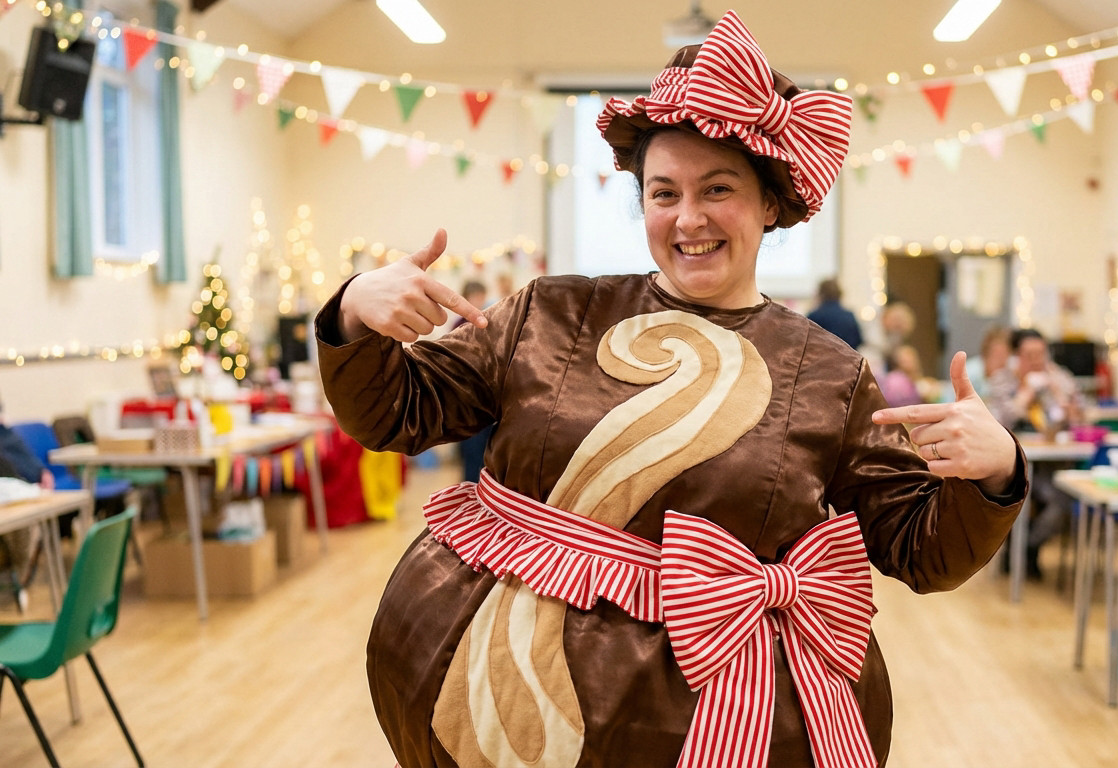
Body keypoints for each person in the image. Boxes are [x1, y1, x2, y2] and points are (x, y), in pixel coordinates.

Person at [314, 12, 1025, 768]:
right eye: (664, 193)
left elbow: (920, 549)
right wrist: (356, 313)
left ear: (770, 205)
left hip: (717, 726)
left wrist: (995, 472)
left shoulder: (830, 371)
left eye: (717, 188)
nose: (689, 218)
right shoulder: (548, 312)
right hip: (492, 711)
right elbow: (397, 412)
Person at [986, 327, 1083, 579]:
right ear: (1016, 356)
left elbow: (1078, 416)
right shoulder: (1002, 380)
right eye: (1029, 354)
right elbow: (998, 420)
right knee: (1014, 494)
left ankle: (1027, 546)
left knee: (1064, 497)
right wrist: (1025, 395)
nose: (1036, 361)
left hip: (1052, 465)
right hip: (1013, 464)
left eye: (1041, 354)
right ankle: (1020, 551)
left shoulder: (1059, 377)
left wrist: (1058, 395)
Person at [453, 280, 495, 483]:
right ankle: (470, 489)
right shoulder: (459, 325)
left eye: (482, 297)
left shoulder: (488, 322)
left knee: (485, 450)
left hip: (486, 395)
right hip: (466, 396)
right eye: (477, 297)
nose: (480, 301)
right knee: (471, 450)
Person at [806, 277, 863, 349]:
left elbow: (805, 344)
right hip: (847, 359)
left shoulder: (814, 316)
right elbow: (858, 341)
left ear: (821, 294)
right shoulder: (849, 315)